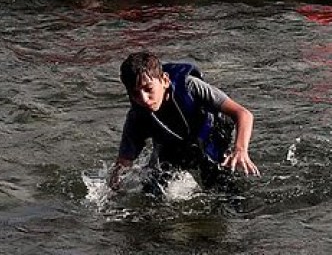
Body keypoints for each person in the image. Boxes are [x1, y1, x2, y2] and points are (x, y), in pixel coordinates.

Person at [109, 52, 259, 193]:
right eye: (135, 93)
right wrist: (113, 189)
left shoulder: (190, 86)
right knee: (152, 190)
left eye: (148, 89)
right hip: (174, 145)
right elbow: (124, 162)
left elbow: (243, 114)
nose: (144, 99)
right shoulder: (136, 117)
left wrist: (240, 150)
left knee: (219, 187)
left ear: (165, 81)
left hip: (209, 134)